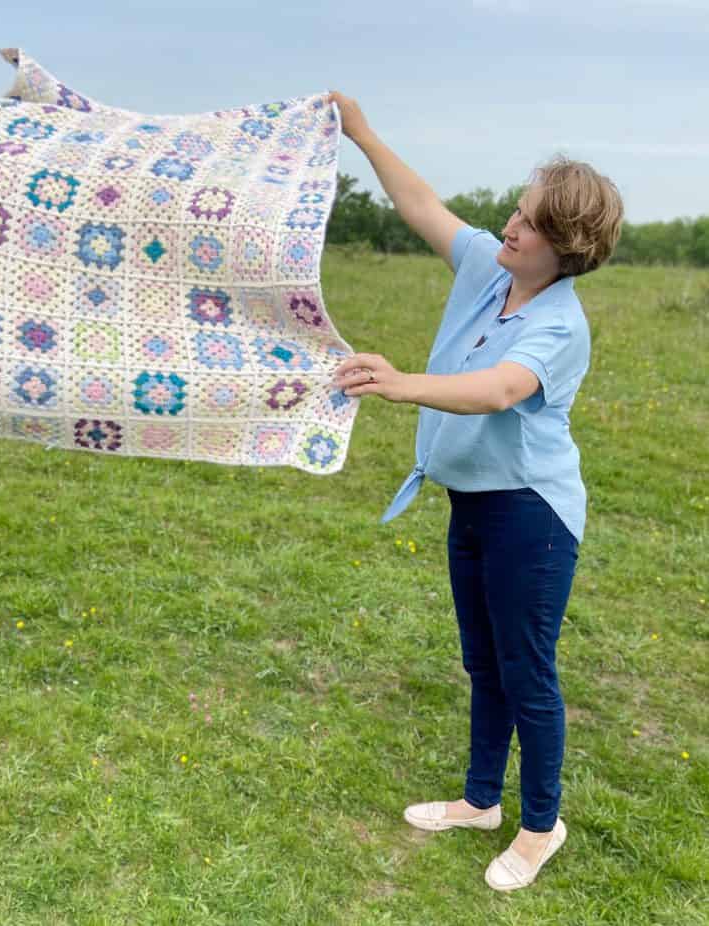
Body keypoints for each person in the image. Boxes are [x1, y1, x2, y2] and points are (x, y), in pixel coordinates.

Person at [325, 90, 624, 892]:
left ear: (560, 249)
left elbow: (497, 389)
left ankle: (540, 825)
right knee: (483, 663)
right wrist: (360, 131)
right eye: (515, 211)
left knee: (527, 670)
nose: (509, 226)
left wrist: (399, 384)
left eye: (526, 224)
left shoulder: (561, 324)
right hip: (473, 504)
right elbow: (420, 203)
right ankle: (481, 801)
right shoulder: (487, 271)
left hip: (532, 516)